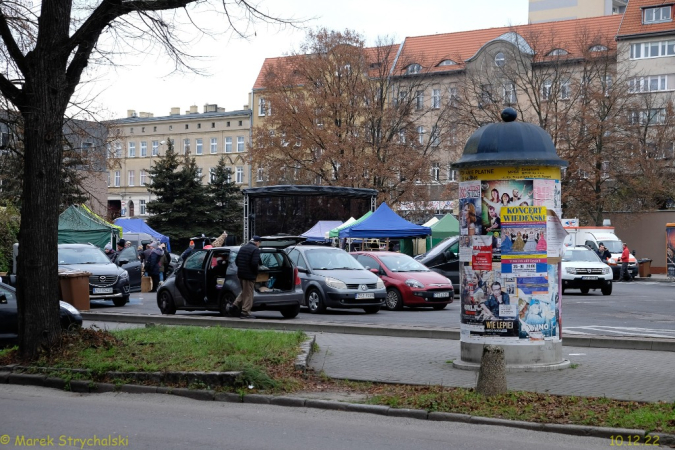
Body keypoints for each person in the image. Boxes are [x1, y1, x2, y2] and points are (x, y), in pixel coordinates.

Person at [229, 236, 262, 319]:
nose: (259, 245)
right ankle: (245, 312)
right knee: (249, 294)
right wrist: (256, 273)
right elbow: (254, 263)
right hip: (249, 275)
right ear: (257, 242)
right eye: (259, 243)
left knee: (244, 291)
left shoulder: (243, 248)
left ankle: (234, 305)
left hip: (241, 274)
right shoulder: (255, 250)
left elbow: (237, 262)